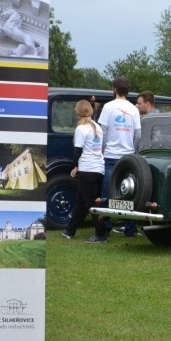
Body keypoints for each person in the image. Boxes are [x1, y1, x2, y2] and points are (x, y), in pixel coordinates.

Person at [98, 76, 142, 238]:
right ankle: (130, 228)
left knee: (107, 193)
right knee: (129, 193)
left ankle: (105, 227)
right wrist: (134, 151)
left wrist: (102, 150)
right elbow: (138, 135)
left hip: (110, 155)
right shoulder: (134, 109)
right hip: (128, 157)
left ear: (115, 89)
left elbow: (102, 132)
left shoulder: (108, 107)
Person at [62, 100, 108, 243]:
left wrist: (76, 166)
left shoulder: (81, 129)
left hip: (87, 169)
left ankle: (101, 234)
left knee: (90, 204)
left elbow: (77, 152)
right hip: (98, 168)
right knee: (81, 201)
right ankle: (70, 230)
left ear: (77, 112)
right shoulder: (97, 127)